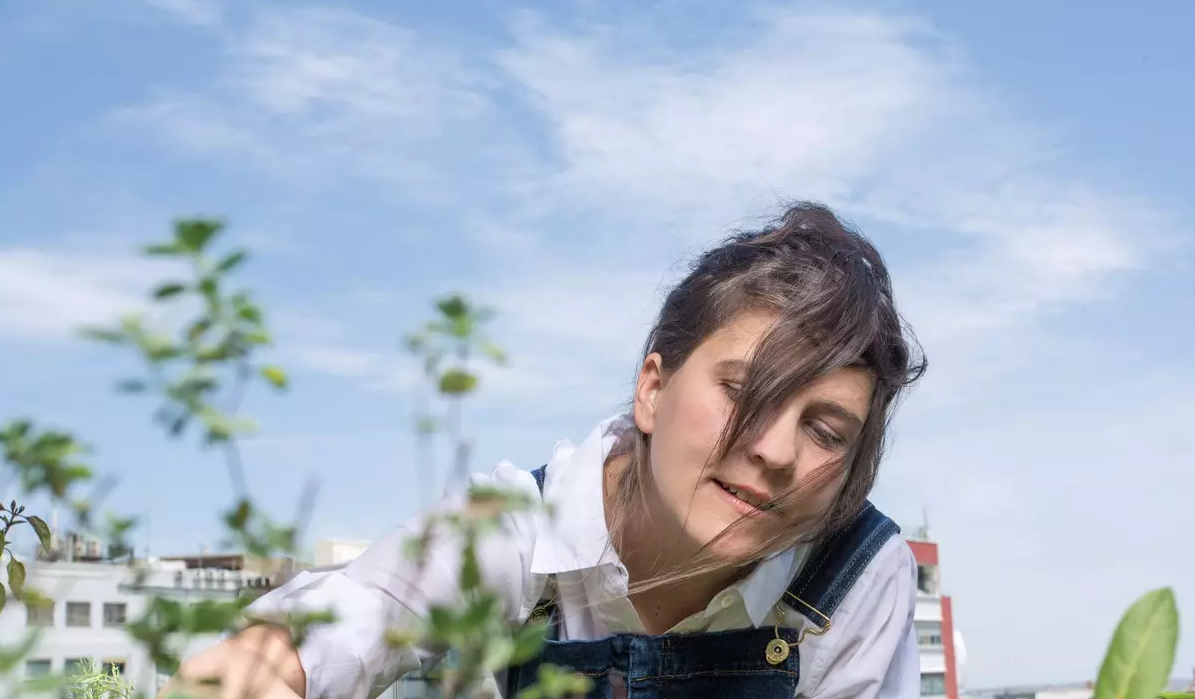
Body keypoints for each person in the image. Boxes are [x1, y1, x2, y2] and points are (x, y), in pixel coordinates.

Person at [166, 202, 927, 699]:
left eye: (827, 431)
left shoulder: (856, 577)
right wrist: (272, 662)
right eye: (743, 392)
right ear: (652, 390)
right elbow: (371, 607)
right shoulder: (516, 535)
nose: (775, 450)